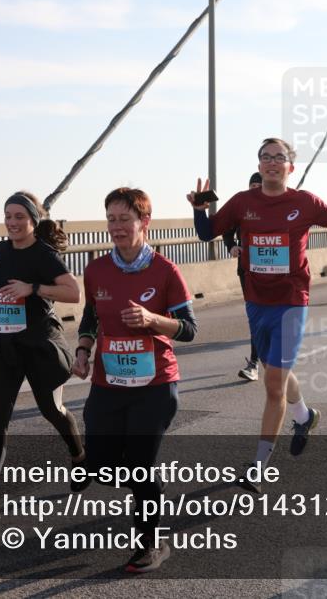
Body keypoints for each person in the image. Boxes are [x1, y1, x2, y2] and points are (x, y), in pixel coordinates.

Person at [190, 138, 327, 489]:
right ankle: (305, 416)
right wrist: (198, 209)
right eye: (265, 157)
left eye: (278, 157)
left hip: (291, 300)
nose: (271, 162)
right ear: (259, 164)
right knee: (273, 370)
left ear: (290, 167)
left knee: (272, 385)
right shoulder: (241, 202)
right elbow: (208, 232)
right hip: (256, 299)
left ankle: (259, 465)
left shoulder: (304, 201)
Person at [71, 187, 197, 573]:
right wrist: (82, 350)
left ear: (145, 222)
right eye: (111, 219)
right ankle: (144, 491)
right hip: (108, 383)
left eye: (125, 219)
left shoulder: (165, 271)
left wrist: (152, 320)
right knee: (102, 466)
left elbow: (189, 329)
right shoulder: (96, 270)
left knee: (141, 465)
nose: (117, 227)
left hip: (156, 385)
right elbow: (91, 315)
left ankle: (150, 542)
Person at [0, 191, 84, 520]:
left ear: (33, 219)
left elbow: (73, 292)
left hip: (39, 344)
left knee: (52, 409)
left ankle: (78, 455)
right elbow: (5, 286)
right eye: (8, 216)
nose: (12, 223)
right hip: (6, 345)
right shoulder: (3, 249)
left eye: (19, 216)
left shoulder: (44, 254)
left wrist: (33, 289)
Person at [224, 172, 264, 380]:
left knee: (271, 317)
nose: (255, 189)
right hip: (247, 269)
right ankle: (254, 364)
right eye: (252, 186)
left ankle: (272, 355)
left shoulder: (275, 207)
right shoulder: (242, 207)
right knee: (255, 317)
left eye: (259, 186)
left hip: (277, 273)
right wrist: (231, 246)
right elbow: (226, 229)